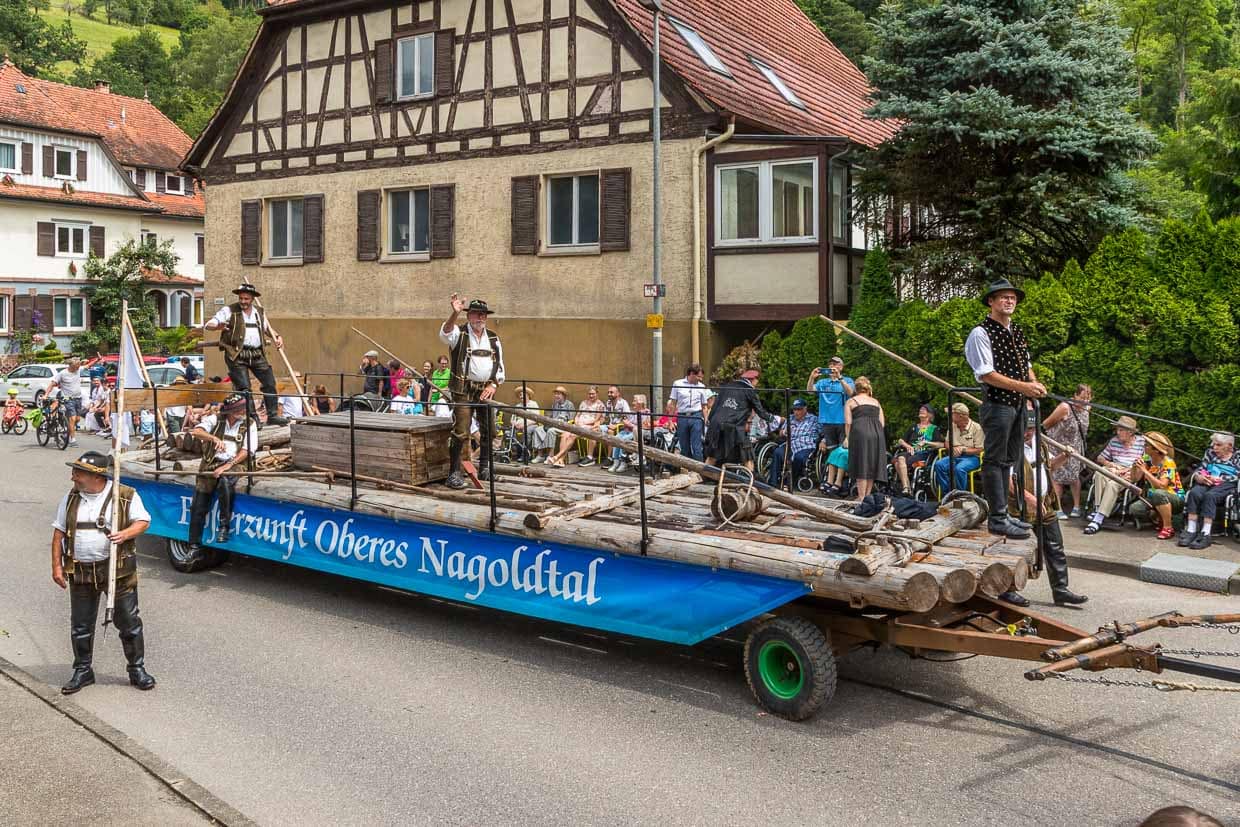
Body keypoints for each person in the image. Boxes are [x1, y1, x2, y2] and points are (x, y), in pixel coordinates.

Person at [51, 451, 155, 694]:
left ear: (94, 475)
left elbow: (143, 521)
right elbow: (58, 533)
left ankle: (136, 669)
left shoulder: (125, 495)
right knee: (80, 625)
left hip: (116, 571)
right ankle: (83, 670)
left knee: (129, 623)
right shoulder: (70, 498)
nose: (72, 477)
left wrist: (125, 534)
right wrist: (56, 566)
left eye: (77, 473)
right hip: (80, 571)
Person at [964, 279, 1046, 538]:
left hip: (1018, 405)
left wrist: (1033, 384)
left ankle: (1005, 513)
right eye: (1003, 297)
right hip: (998, 405)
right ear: (991, 301)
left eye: (1012, 298)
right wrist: (1024, 387)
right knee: (994, 460)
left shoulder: (1017, 332)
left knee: (1009, 460)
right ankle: (997, 517)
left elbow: (1026, 364)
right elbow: (986, 373)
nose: (1009, 301)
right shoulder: (981, 333)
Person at [1005, 409, 1088, 607]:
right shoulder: (1009, 447)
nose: (1028, 433)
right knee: (1016, 551)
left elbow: (1049, 466)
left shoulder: (1039, 443)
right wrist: (1030, 499)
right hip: (1020, 507)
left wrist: (1065, 456)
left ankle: (1060, 590)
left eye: (1032, 429)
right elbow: (1007, 480)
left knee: (1055, 547)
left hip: (1044, 503)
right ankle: (1009, 590)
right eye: (1026, 429)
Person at [439, 294, 505, 487]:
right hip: (463, 390)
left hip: (485, 390)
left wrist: (493, 384)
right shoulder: (459, 333)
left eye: (483, 315)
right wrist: (454, 313)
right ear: (468, 316)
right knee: (461, 431)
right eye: (476, 314)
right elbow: (444, 333)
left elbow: (500, 365)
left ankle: (484, 468)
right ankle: (454, 473)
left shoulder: (493, 338)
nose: (480, 318)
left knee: (489, 430)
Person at [204, 283, 288, 426]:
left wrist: (278, 336)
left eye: (246, 299)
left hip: (256, 353)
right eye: (241, 298)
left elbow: (267, 329)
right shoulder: (229, 310)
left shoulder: (259, 312)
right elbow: (209, 324)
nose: (243, 301)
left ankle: (272, 415)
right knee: (244, 388)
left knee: (269, 383)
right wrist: (217, 326)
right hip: (236, 354)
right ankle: (252, 418)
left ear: (252, 299)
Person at [186, 394, 258, 554]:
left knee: (225, 480)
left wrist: (227, 466)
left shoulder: (250, 424)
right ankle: (193, 545)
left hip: (236, 463)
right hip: (212, 462)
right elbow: (196, 432)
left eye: (242, 409)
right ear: (230, 411)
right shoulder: (216, 419)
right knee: (199, 502)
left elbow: (247, 450)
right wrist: (212, 438)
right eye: (238, 409)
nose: (242, 412)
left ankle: (224, 527)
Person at [1082, 415, 1146, 535]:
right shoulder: (1114, 441)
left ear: (1131, 432)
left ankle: (1098, 519)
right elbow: (1100, 458)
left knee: (1112, 485)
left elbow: (1146, 461)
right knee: (1099, 473)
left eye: (1121, 430)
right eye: (1117, 429)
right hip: (1114, 469)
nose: (1118, 432)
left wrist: (1129, 469)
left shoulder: (1142, 442)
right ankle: (1097, 509)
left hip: (1130, 472)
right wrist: (1111, 464)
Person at [704, 368, 775, 471]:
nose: (757, 384)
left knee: (713, 455)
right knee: (747, 454)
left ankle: (703, 476)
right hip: (735, 426)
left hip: (717, 424)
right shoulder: (749, 391)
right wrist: (772, 418)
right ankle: (751, 480)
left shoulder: (726, 387)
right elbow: (760, 411)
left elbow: (715, 406)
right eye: (756, 381)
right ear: (753, 379)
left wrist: (710, 420)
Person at [1179, 432, 1240, 550]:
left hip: (1226, 485)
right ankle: (1191, 530)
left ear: (1229, 446)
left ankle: (1205, 534)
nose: (1214, 447)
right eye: (1214, 444)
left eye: (1218, 445)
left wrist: (1220, 479)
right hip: (1207, 480)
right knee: (1194, 492)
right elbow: (1202, 468)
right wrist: (1199, 476)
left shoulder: (1237, 456)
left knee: (1210, 496)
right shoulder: (1210, 453)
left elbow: (1238, 475)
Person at [1043, 384, 1092, 518]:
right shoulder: (1065, 408)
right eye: (1082, 398)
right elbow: (1046, 424)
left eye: (1088, 398)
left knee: (1074, 477)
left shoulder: (1087, 408)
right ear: (1075, 395)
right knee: (1057, 478)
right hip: (1058, 446)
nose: (1085, 401)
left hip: (1075, 447)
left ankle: (1076, 507)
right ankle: (1057, 508)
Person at [1128, 431, 1183, 540]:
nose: (1144, 447)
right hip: (1153, 497)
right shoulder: (1146, 459)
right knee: (1134, 509)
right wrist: (1135, 467)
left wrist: (1145, 471)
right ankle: (1158, 518)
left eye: (1147, 445)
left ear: (1156, 450)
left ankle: (1168, 528)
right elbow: (1134, 479)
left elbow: (1162, 486)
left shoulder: (1168, 463)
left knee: (1159, 494)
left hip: (1173, 497)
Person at [844, 377, 887, 502]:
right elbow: (882, 423)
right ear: (868, 389)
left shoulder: (851, 401)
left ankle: (861, 496)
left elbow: (848, 422)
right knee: (872, 464)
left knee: (861, 463)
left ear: (855, 389)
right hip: (876, 433)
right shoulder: (876, 402)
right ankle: (867, 495)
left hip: (859, 433)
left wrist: (848, 437)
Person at [934, 403, 985, 496]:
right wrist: (953, 448)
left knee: (959, 469)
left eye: (951, 413)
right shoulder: (952, 426)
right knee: (939, 465)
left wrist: (963, 449)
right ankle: (948, 494)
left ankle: (961, 496)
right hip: (955, 456)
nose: (949, 416)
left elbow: (980, 449)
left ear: (960, 415)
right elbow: (946, 443)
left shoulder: (977, 428)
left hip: (973, 458)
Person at [808, 356, 855, 456]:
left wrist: (840, 378)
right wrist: (812, 377)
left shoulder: (848, 380)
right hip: (827, 421)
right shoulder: (822, 382)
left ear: (841, 367)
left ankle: (842, 472)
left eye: (835, 364)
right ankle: (832, 471)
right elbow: (810, 391)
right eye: (830, 364)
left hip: (842, 421)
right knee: (832, 451)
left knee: (843, 450)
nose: (832, 366)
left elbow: (850, 393)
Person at [547, 386, 605, 467]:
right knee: (565, 434)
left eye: (593, 394)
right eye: (589, 394)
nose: (591, 396)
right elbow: (577, 415)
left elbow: (597, 419)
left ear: (597, 394)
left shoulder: (600, 405)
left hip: (588, 426)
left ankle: (557, 457)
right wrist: (577, 421)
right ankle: (561, 461)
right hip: (579, 425)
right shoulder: (583, 403)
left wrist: (584, 423)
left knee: (572, 436)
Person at [892, 404, 942, 495]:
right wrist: (908, 446)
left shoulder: (934, 429)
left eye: (924, 410)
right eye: (920, 410)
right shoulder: (913, 427)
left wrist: (927, 442)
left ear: (930, 414)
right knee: (899, 459)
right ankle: (906, 488)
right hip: (911, 452)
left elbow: (941, 444)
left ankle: (907, 488)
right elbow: (900, 440)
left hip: (924, 454)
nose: (921, 411)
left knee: (898, 461)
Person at [767, 398, 817, 488]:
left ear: (805, 409)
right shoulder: (790, 418)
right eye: (794, 409)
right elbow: (781, 433)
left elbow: (820, 433)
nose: (796, 412)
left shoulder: (813, 419)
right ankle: (773, 483)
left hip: (805, 445)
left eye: (799, 409)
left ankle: (790, 481)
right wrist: (784, 432)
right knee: (777, 452)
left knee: (799, 457)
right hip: (790, 443)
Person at [669, 364, 709, 461]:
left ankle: (699, 471)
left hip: (696, 416)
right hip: (682, 416)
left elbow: (704, 406)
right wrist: (670, 421)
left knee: (697, 446)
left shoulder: (701, 386)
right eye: (699, 376)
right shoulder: (677, 383)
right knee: (684, 446)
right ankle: (687, 469)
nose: (700, 379)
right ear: (691, 374)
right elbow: (673, 403)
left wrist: (706, 420)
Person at [47, 357, 87, 445]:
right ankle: (72, 439)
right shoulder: (62, 373)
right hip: (68, 399)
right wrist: (46, 395)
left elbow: (87, 366)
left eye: (78, 366)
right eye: (77, 366)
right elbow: (52, 384)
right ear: (71, 366)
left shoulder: (78, 370)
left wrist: (97, 360)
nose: (78, 368)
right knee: (72, 419)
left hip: (78, 398)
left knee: (77, 419)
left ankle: (66, 433)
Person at [608, 393, 645, 474]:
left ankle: (623, 462)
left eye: (635, 401)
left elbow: (643, 426)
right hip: (626, 431)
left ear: (641, 402)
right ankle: (616, 461)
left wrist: (629, 424)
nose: (633, 403)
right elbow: (626, 421)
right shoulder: (632, 413)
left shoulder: (645, 412)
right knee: (616, 438)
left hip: (635, 433)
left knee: (624, 440)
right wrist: (624, 422)